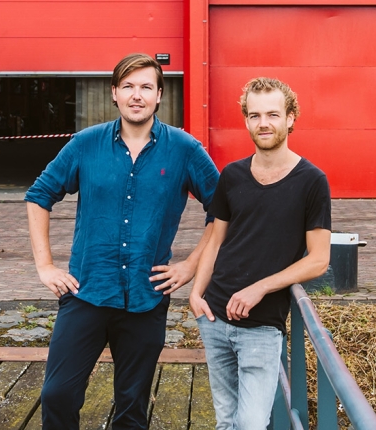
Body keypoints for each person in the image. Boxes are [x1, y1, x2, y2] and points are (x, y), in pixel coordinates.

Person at [25, 53, 220, 430]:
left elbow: (223, 209)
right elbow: (39, 195)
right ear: (114, 93)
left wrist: (191, 264)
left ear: (159, 95)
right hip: (86, 292)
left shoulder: (184, 149)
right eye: (128, 86)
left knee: (131, 407)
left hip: (146, 298)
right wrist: (45, 266)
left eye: (146, 87)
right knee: (57, 395)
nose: (137, 95)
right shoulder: (86, 144)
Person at [189, 77, 332, 429]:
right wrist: (194, 293)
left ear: (291, 118)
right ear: (246, 121)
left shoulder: (312, 180)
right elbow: (216, 240)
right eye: (254, 115)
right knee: (226, 422)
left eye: (272, 114)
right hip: (213, 317)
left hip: (262, 326)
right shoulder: (232, 175)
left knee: (251, 424)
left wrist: (261, 287)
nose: (263, 123)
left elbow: (319, 259)